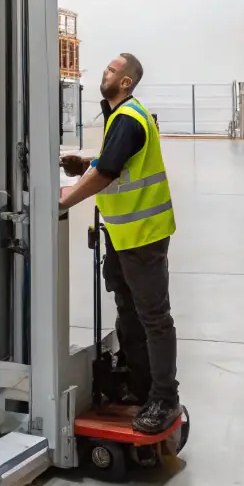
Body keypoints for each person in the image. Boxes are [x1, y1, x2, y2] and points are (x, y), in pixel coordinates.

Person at [60, 52, 179, 434]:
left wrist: (61, 202)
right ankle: (139, 386)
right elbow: (115, 162)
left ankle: (164, 397)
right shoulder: (121, 116)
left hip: (143, 235)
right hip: (124, 233)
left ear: (126, 82)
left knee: (154, 318)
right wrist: (86, 164)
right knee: (128, 311)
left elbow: (110, 173)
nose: (105, 73)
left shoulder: (128, 118)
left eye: (112, 70)